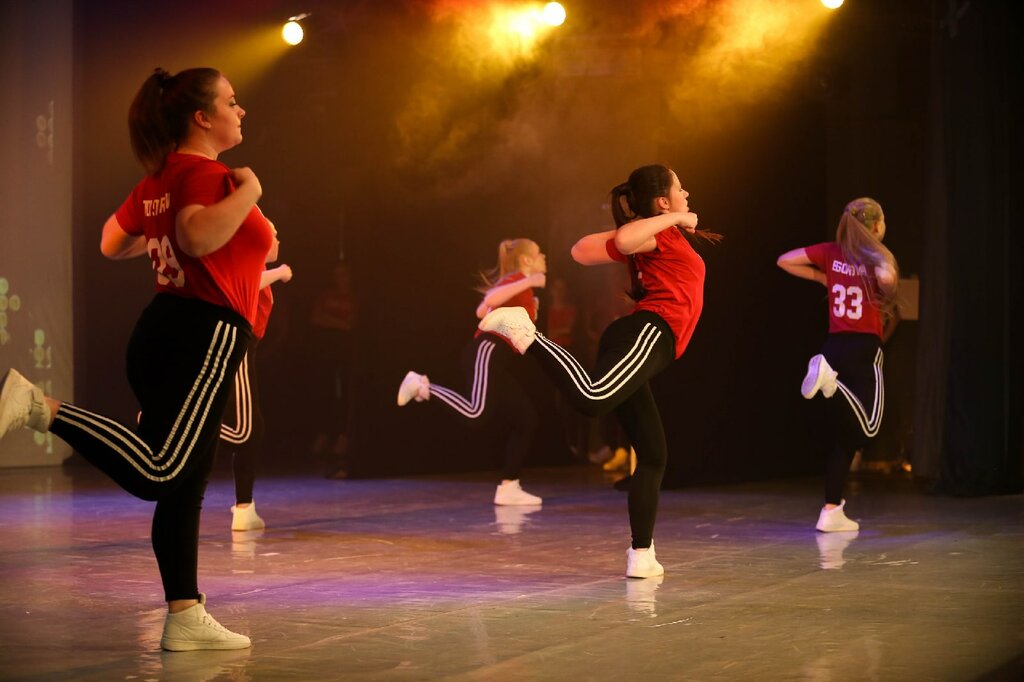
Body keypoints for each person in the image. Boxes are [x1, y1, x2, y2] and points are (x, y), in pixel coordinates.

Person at [0, 67, 272, 650]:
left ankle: (185, 615)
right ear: (202, 117)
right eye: (231, 101)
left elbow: (111, 240)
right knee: (163, 472)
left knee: (185, 485)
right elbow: (196, 237)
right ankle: (38, 405)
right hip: (204, 332)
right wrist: (250, 192)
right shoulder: (208, 174)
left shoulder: (162, 177)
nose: (241, 110)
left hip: (167, 329)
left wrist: (171, 236)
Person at [478, 164, 721, 578]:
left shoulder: (654, 236)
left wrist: (660, 224)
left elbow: (585, 250)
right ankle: (527, 334)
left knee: (653, 455)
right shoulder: (660, 232)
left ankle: (642, 554)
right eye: (680, 190)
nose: (687, 195)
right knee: (593, 400)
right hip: (650, 332)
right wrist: (674, 220)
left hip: (643, 339)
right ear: (664, 202)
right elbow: (600, 245)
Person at [776, 197, 899, 532]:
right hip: (863, 347)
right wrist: (881, 269)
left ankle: (831, 510)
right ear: (877, 226)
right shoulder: (875, 256)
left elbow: (784, 260)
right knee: (869, 428)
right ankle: (829, 381)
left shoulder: (832, 252)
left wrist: (822, 278)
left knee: (845, 437)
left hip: (833, 347)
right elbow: (888, 282)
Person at [397, 238, 547, 506]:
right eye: (538, 253)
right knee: (475, 413)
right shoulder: (517, 280)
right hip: (487, 351)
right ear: (526, 260)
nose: (544, 257)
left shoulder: (519, 287)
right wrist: (529, 282)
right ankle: (421, 386)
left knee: (526, 417)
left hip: (497, 360)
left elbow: (482, 310)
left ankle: (509, 487)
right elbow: (488, 301)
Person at [221, 259, 292, 532]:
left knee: (253, 429)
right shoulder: (248, 257)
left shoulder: (255, 263)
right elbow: (247, 284)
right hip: (236, 342)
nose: (277, 240)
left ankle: (245, 508)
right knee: (245, 431)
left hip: (244, 344)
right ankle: (169, 424)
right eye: (274, 237)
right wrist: (279, 272)